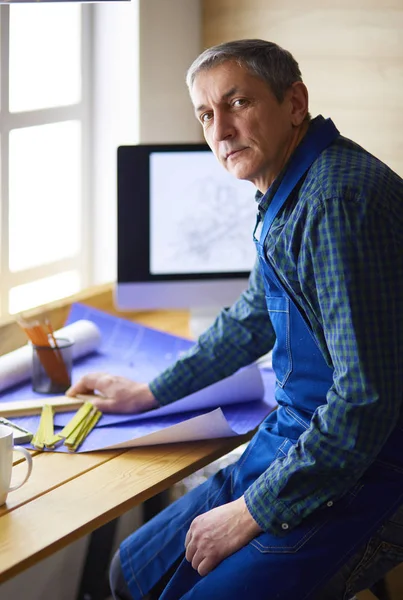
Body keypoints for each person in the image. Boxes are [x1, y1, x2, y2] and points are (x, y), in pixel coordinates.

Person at [67, 39, 403, 599]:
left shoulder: (335, 201)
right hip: (301, 439)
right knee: (131, 572)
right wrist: (149, 393)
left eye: (237, 103)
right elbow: (252, 317)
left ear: (294, 102)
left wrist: (252, 511)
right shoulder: (290, 187)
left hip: (371, 469)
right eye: (206, 114)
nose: (219, 131)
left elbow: (365, 402)